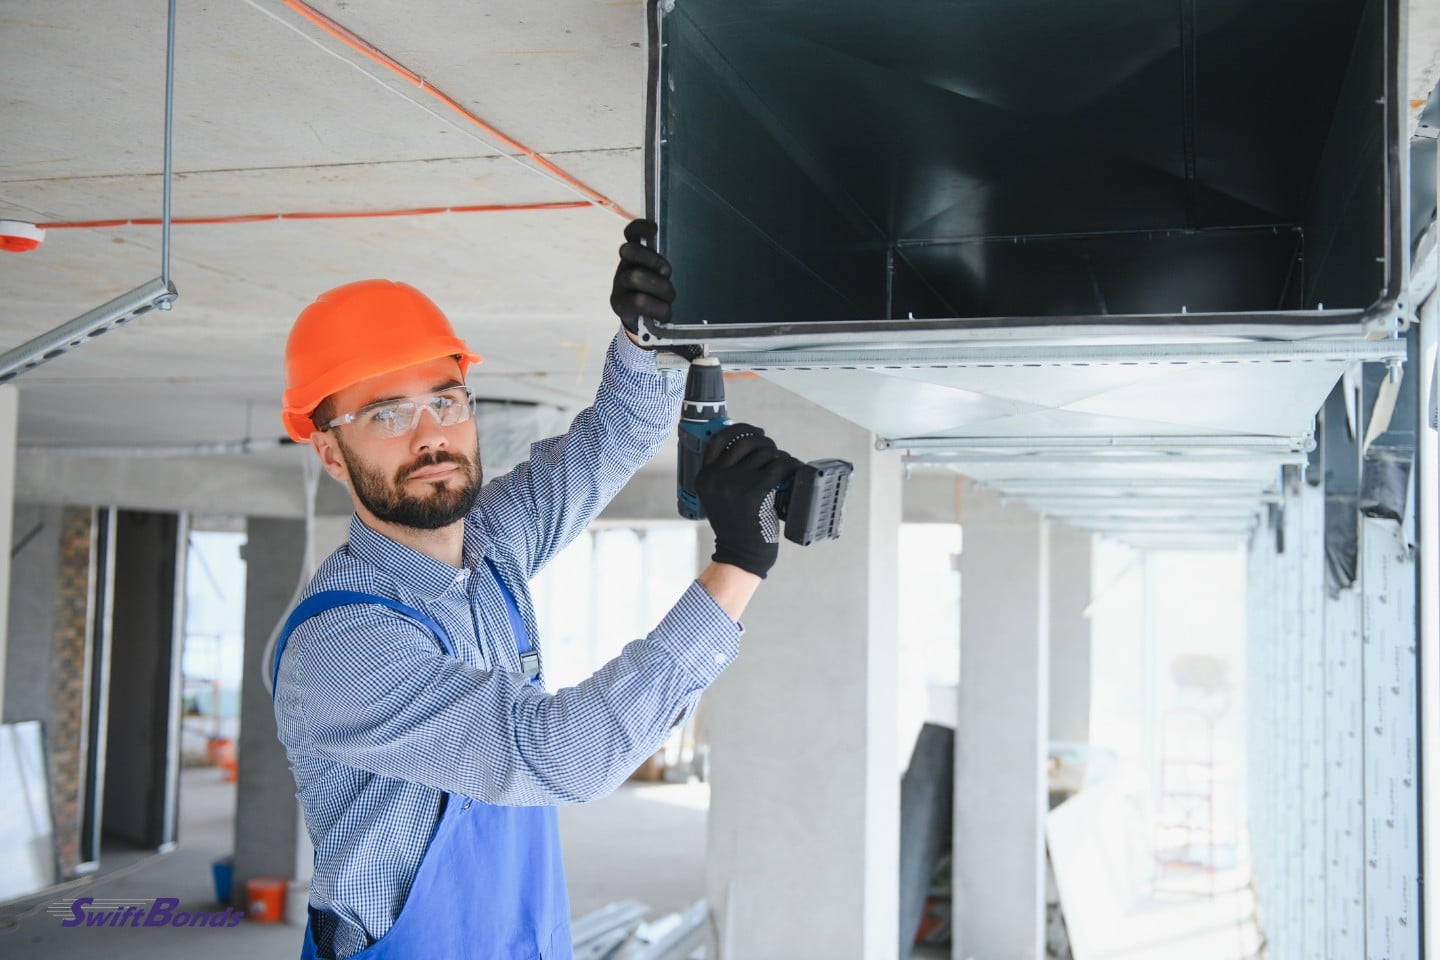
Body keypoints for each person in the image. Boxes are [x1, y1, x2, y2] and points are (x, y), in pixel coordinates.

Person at [270, 219, 798, 960]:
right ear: (329, 451)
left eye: (446, 401)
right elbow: (561, 756)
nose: (431, 435)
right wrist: (737, 565)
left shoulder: (490, 545)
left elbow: (612, 439)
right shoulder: (341, 645)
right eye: (387, 415)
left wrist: (643, 337)